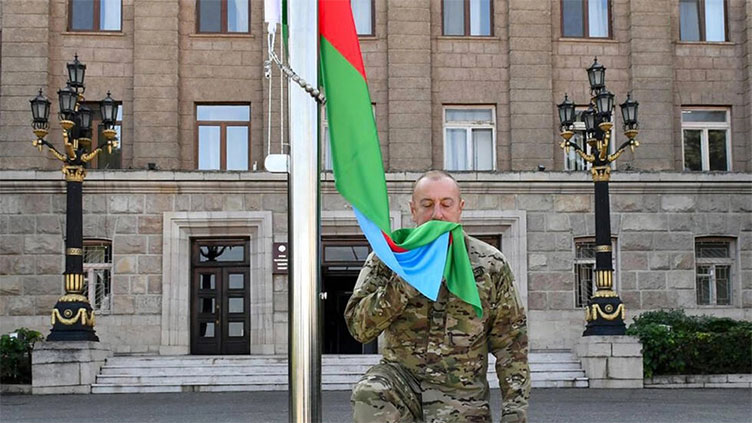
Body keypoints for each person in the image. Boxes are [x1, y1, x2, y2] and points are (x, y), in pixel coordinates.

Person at [345, 170, 530, 423]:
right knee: (371, 392)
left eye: (446, 204)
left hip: (461, 398)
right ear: (413, 209)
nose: (437, 214)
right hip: (402, 386)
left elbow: (512, 345)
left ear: (460, 208)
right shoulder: (389, 258)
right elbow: (359, 328)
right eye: (427, 204)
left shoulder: (490, 264)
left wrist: (514, 414)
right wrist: (407, 279)